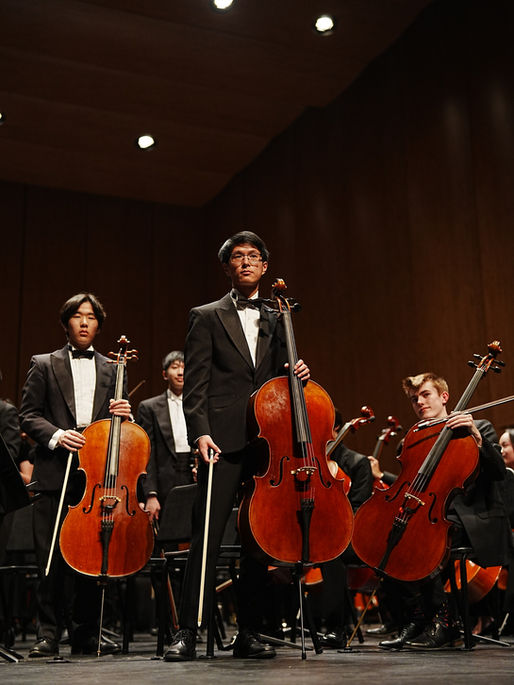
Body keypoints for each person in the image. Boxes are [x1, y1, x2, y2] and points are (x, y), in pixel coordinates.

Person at [164, 231, 309, 661]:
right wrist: (200, 433)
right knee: (206, 535)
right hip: (221, 441)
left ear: (264, 266)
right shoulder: (205, 315)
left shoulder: (279, 316)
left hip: (267, 443)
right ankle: (187, 631)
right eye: (237, 256)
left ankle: (250, 631)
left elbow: (281, 376)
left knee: (258, 541)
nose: (246, 261)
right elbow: (196, 384)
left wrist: (298, 373)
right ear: (227, 267)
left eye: (253, 256)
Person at [19, 293, 131, 658]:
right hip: (55, 471)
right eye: (78, 316)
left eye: (91, 317)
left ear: (99, 325)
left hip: (95, 477)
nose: (84, 322)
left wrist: (125, 415)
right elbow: (28, 415)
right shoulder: (43, 364)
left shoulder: (114, 368)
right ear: (66, 323)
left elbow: (120, 430)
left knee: (89, 556)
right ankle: (48, 633)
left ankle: (85, 633)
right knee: (50, 558)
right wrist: (56, 435)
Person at [378, 372, 512, 650]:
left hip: (473, 517)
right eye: (414, 399)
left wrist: (475, 435)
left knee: (429, 536)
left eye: (425, 394)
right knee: (387, 537)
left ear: (444, 397)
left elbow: (499, 471)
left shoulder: (479, 427)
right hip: (435, 514)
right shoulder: (416, 438)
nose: (419, 402)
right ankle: (422, 616)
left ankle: (443, 619)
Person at [136, 350, 194, 524]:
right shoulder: (149, 407)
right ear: (164, 374)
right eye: (175, 367)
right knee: (166, 534)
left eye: (184, 367)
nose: (180, 372)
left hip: (193, 477)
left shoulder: (199, 405)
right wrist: (151, 494)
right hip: (163, 484)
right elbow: (147, 454)